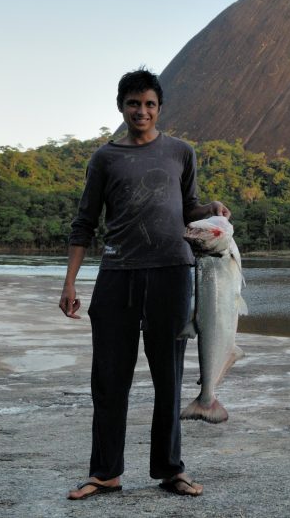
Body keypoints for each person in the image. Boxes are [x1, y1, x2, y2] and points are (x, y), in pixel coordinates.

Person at [59, 68, 230, 499]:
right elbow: (84, 224)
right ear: (121, 106)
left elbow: (188, 207)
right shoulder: (105, 158)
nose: (142, 111)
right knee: (109, 379)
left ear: (159, 108)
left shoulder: (180, 152)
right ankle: (105, 473)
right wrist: (70, 283)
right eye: (134, 103)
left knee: (169, 379)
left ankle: (170, 470)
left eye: (149, 104)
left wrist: (211, 210)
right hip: (117, 275)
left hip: (173, 274)